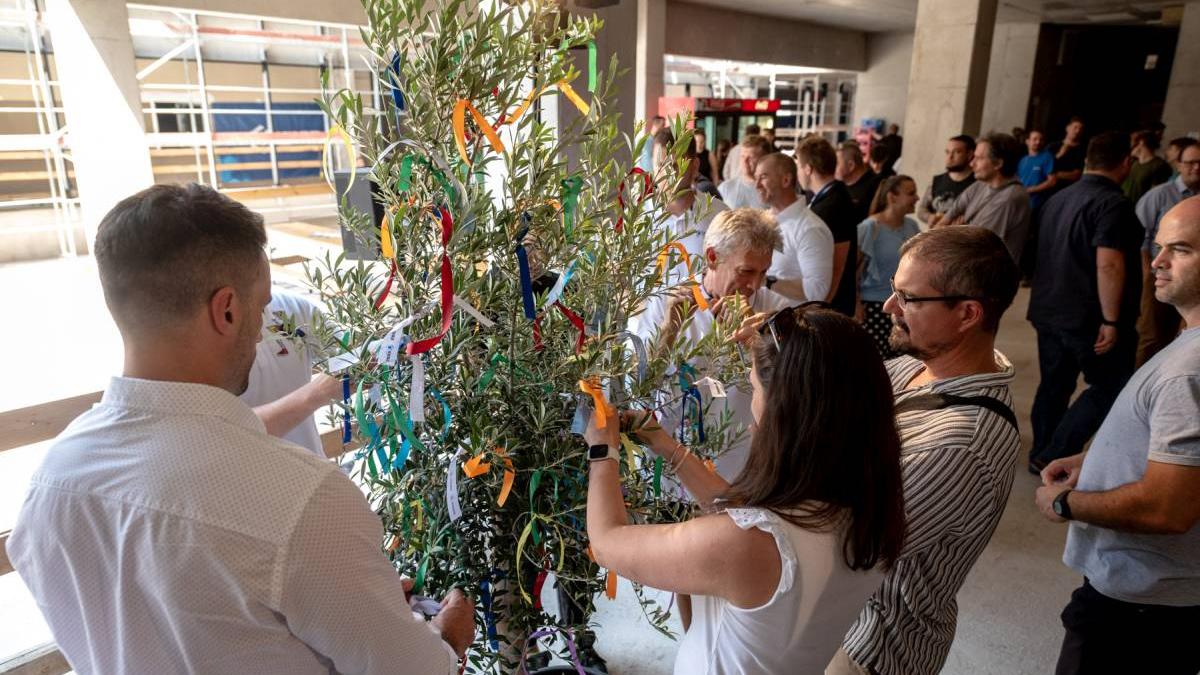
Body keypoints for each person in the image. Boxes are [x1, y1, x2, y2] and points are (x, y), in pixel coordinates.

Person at [5, 184, 475, 674]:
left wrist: (356, 605)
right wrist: (445, 636)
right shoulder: (302, 502)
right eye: (262, 306)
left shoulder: (48, 487)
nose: (261, 327)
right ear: (226, 310)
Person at [588, 304, 906, 675]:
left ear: (784, 411)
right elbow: (743, 514)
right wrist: (664, 444)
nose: (752, 408)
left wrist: (602, 449)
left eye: (754, 387)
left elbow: (607, 543)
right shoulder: (871, 509)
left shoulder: (749, 546)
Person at [833, 226, 1022, 675]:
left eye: (908, 298)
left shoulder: (963, 442)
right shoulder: (911, 367)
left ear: (968, 314)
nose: (888, 307)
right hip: (841, 618)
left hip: (870, 646)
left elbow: (850, 546)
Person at [1035, 197, 1200, 675]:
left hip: (1143, 604)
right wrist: (1096, 462)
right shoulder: (1185, 344)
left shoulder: (1187, 373)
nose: (1158, 262)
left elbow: (1168, 508)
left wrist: (1063, 504)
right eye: (1158, 246)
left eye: (1181, 249)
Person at [627, 208, 793, 482]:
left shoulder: (775, 310)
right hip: (668, 474)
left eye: (763, 272)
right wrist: (669, 332)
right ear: (712, 258)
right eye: (746, 271)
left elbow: (792, 394)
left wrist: (758, 344)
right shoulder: (661, 302)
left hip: (741, 471)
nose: (755, 284)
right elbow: (637, 389)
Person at [1027, 132, 1142, 473]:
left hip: (1048, 308)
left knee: (1054, 383)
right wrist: (1112, 320)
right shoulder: (1114, 204)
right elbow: (1109, 264)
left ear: (1087, 161)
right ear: (1126, 162)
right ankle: (1055, 453)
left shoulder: (1057, 198)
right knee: (1111, 384)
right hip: (1088, 317)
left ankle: (1041, 451)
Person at [243, 287, 342, 458]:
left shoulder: (292, 307)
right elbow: (220, 433)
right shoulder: (191, 337)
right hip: (246, 478)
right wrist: (318, 393)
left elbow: (352, 351)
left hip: (313, 470)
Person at [1134, 140, 1199, 365]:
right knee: (1150, 335)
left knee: (1182, 336)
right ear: (1178, 165)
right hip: (1156, 277)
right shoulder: (1159, 195)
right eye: (1190, 162)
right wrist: (1146, 277)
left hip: (1191, 281)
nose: (1196, 167)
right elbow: (1140, 240)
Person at [754, 152, 834, 305]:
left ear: (786, 180)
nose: (756, 185)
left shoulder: (811, 229)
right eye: (756, 177)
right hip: (758, 322)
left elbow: (817, 291)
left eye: (763, 177)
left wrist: (766, 281)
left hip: (789, 325)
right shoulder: (761, 220)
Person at [856, 175, 921, 358]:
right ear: (892, 197)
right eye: (911, 193)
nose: (917, 198)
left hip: (904, 305)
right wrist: (856, 304)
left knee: (902, 361)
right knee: (874, 361)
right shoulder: (869, 227)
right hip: (873, 308)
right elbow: (852, 270)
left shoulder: (912, 226)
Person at [940, 132, 1032, 262]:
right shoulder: (980, 185)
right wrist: (957, 230)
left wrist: (954, 230)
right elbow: (942, 223)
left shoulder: (1010, 198)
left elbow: (973, 247)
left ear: (998, 163)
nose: (972, 164)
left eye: (979, 158)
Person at [796, 135, 860, 317]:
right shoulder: (826, 197)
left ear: (808, 169)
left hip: (832, 308)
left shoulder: (834, 204)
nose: (798, 173)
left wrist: (819, 310)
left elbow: (838, 264)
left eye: (799, 166)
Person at [653, 131, 729, 260]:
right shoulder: (637, 218)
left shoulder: (720, 216)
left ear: (694, 166)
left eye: (673, 166)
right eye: (660, 166)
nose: (666, 174)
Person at [917, 135, 976, 227]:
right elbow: (921, 210)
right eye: (947, 152)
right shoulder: (936, 180)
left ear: (970, 154)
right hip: (936, 237)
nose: (950, 157)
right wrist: (929, 217)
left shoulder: (978, 184)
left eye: (957, 152)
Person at [718, 134, 770, 210]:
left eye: (751, 157)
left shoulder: (773, 190)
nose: (744, 161)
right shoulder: (725, 188)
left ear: (764, 160)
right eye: (742, 156)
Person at [1123, 129, 1173, 205]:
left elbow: (1156, 194)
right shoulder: (1134, 162)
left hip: (1139, 208)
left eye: (1132, 143)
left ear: (1141, 142)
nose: (1130, 147)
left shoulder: (1159, 165)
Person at [837, 141, 882, 223]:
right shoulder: (839, 187)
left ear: (851, 165)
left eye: (836, 164)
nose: (832, 168)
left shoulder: (876, 185)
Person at [1017, 129, 1057, 211]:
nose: (1038, 142)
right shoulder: (1023, 160)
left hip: (1038, 205)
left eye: (1040, 140)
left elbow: (1052, 181)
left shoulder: (1047, 157)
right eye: (1035, 139)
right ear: (1027, 141)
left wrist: (1030, 189)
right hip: (1021, 204)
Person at [1049, 116, 1087, 191]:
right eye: (1075, 127)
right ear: (1067, 128)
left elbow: (1077, 175)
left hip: (1069, 190)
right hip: (1048, 189)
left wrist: (1054, 174)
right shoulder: (1052, 146)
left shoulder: (1083, 150)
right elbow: (1043, 167)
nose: (1077, 131)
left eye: (1080, 129)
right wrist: (1059, 155)